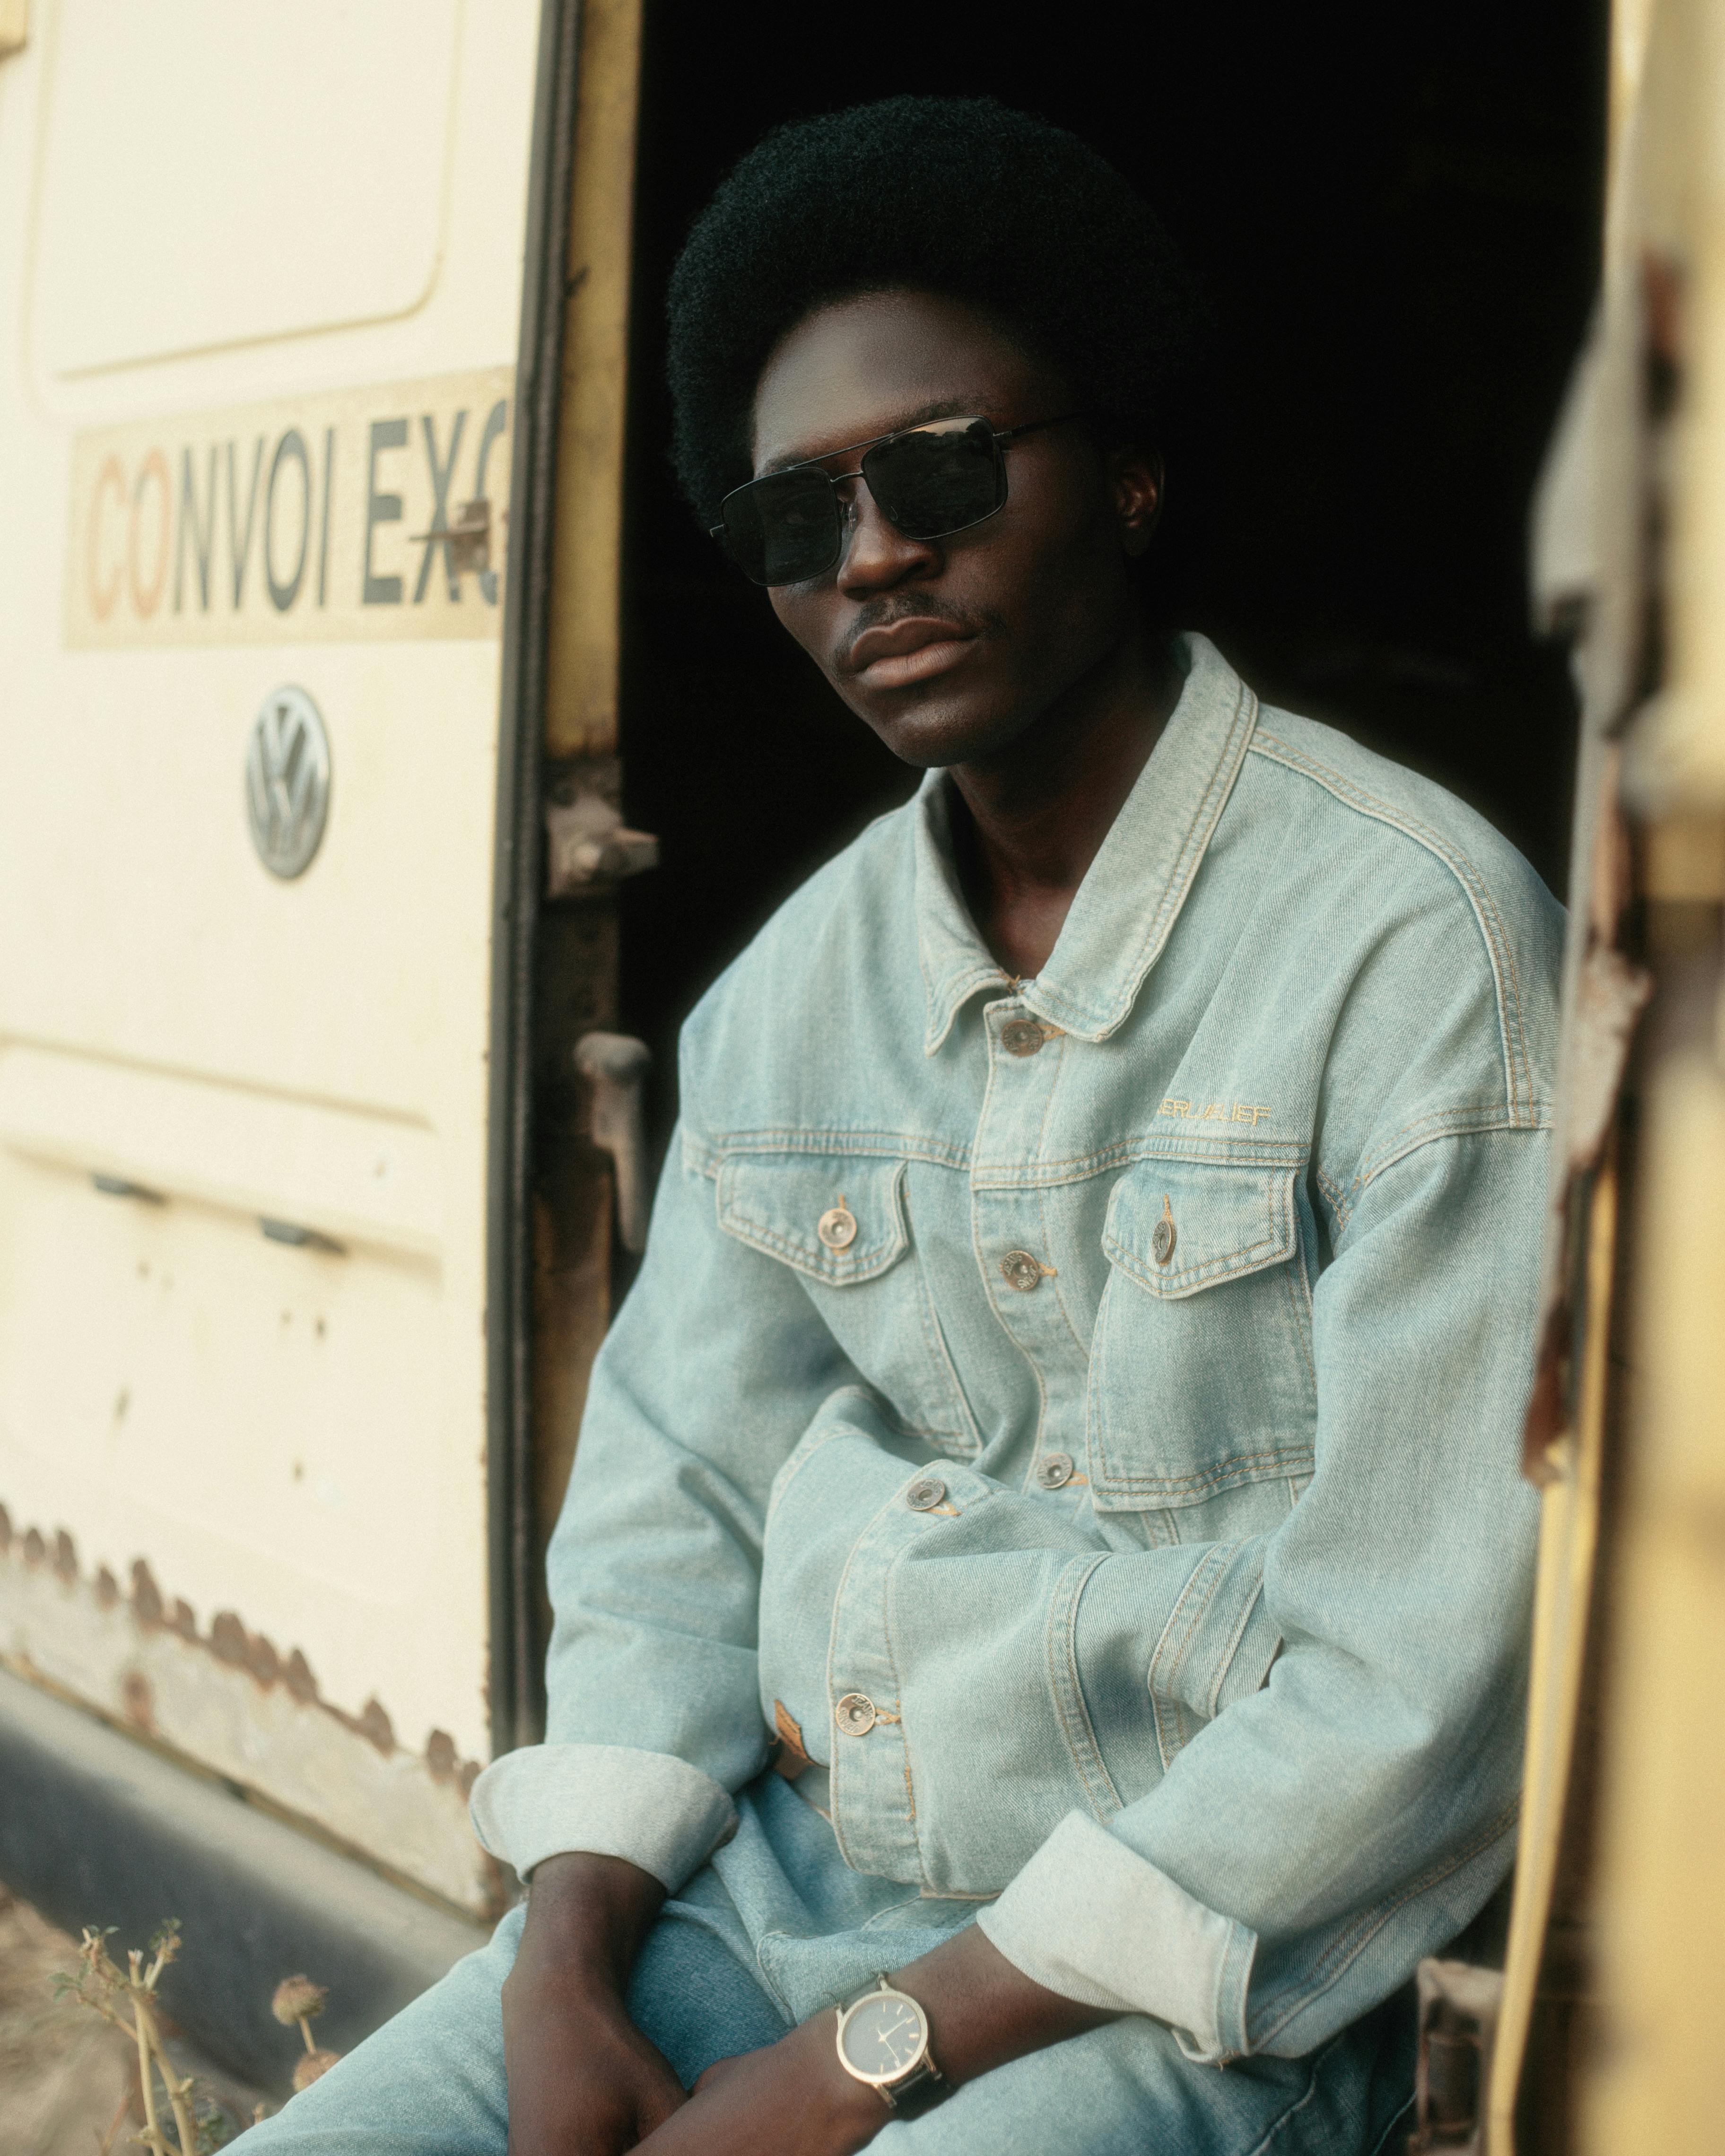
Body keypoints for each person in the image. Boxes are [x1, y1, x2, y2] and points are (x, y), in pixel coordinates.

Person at [238, 95, 1558, 2156]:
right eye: (792, 520)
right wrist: (571, 1951)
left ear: (1123, 475)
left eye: (939, 470)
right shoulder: (790, 998)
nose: (868, 557)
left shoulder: (1422, 948)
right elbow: (677, 1506)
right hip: (766, 1904)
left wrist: (874, 2064)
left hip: (1193, 1990)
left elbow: (1420, 1684)